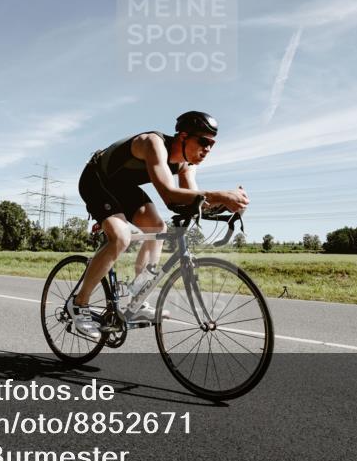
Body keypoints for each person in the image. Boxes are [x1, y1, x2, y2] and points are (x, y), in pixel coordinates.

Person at [69, 111, 249, 340]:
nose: (208, 149)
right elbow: (168, 194)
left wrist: (227, 206)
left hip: (123, 186)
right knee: (121, 237)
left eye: (212, 144)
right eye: (203, 142)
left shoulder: (187, 164)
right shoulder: (153, 144)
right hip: (97, 178)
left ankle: (137, 300)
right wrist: (222, 195)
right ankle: (79, 303)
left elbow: (189, 201)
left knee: (157, 227)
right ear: (183, 136)